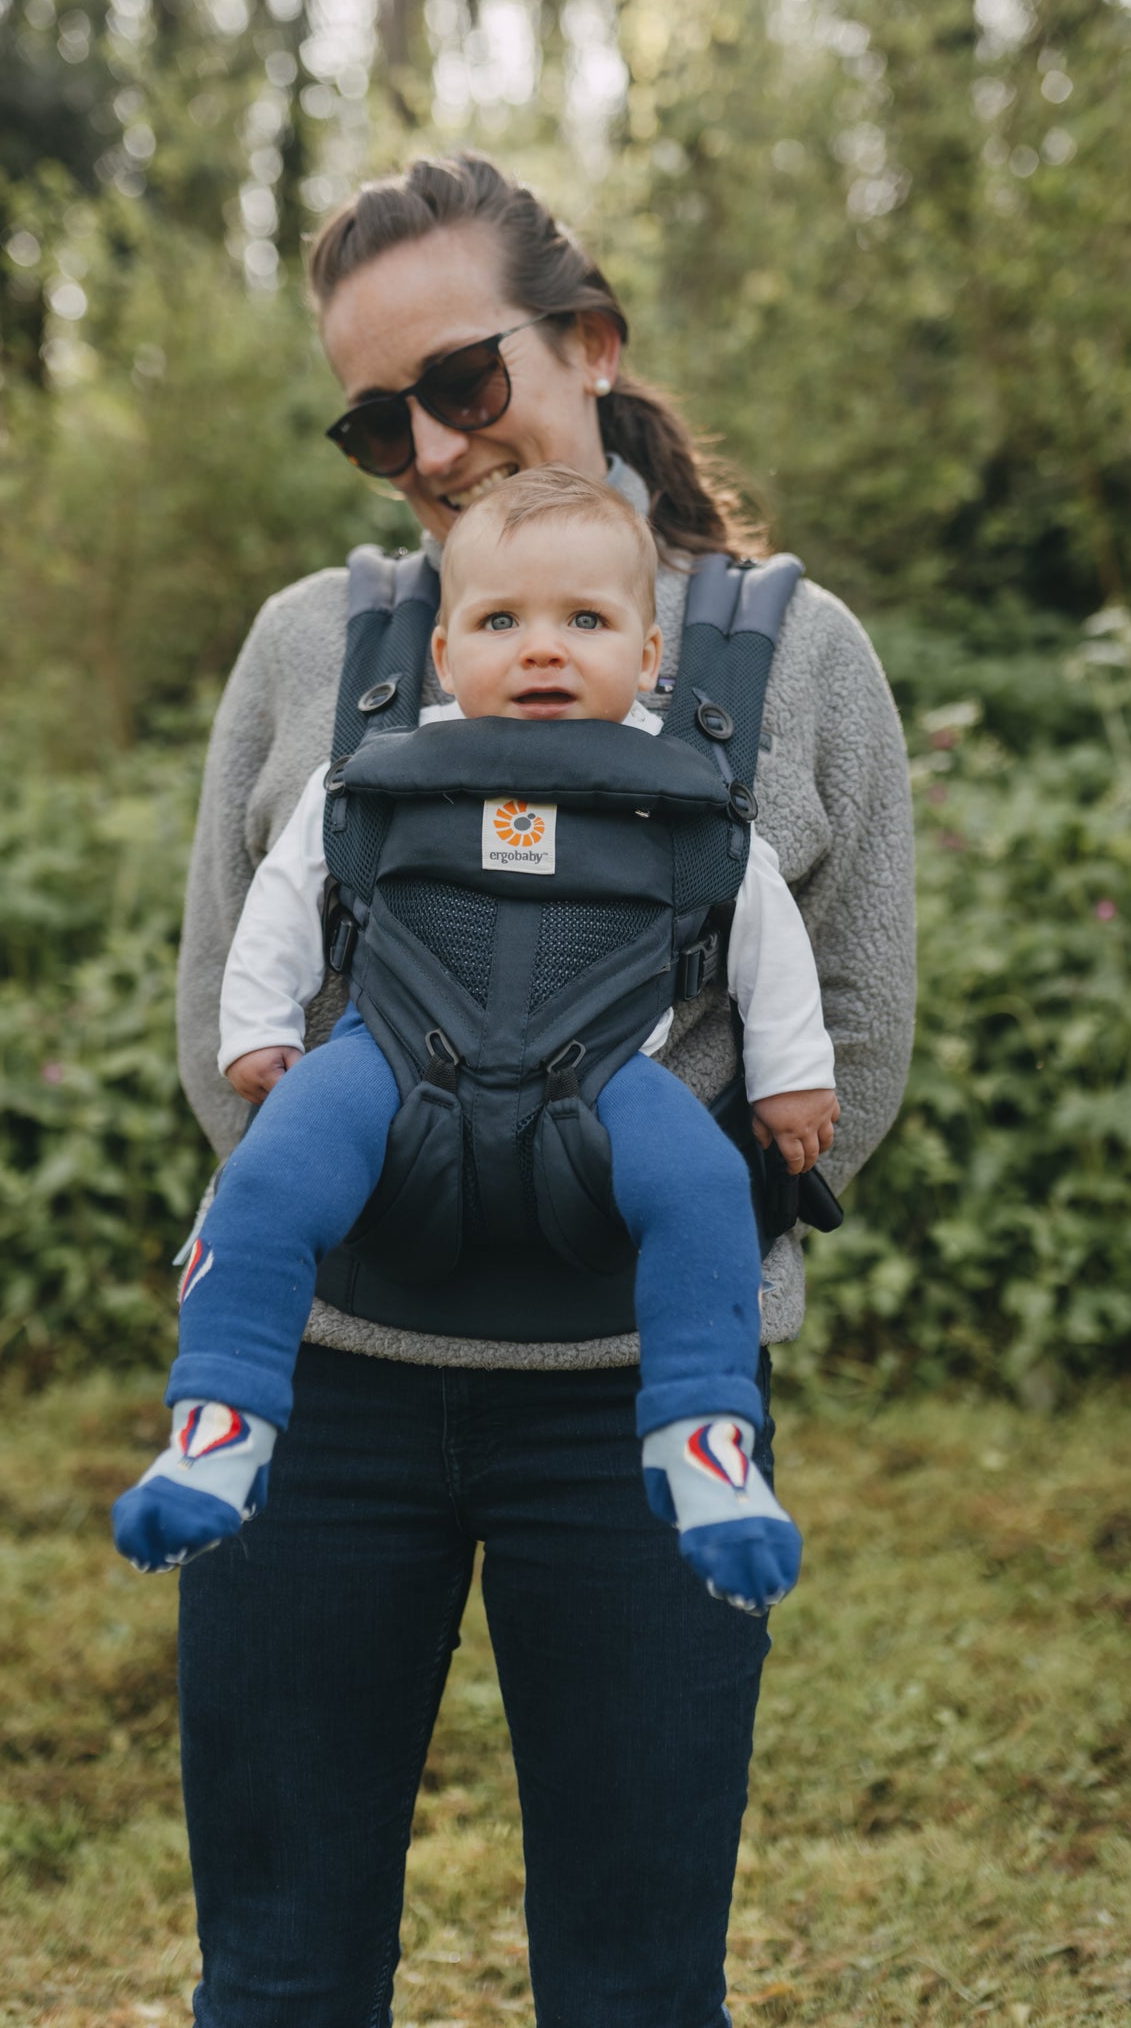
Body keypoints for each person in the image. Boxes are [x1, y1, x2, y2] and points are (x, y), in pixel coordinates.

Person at [170, 154, 915, 2028]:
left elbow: (858, 1039)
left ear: (588, 340)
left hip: (640, 1414)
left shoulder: (792, 658)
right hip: (324, 1397)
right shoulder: (310, 648)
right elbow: (222, 1015)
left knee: (639, 1982)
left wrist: (616, 1187)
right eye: (374, 416)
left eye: (465, 380)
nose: (428, 444)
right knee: (276, 1973)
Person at [114, 466, 838, 1615]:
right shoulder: (377, 772)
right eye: (501, 621)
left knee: (703, 1185)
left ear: (650, 656)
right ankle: (220, 1418)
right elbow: (285, 893)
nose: (541, 649)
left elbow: (765, 935)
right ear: (445, 655)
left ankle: (704, 1439)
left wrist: (793, 1080)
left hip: (607, 1077)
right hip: (386, 1055)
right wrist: (254, 1026)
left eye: (585, 621)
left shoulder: (679, 791)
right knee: (268, 1176)